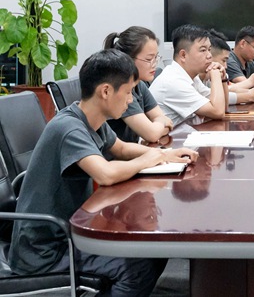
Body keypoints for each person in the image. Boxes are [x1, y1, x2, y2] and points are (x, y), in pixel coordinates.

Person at [8, 49, 198, 296]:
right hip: (44, 251)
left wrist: (165, 155)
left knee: (153, 250)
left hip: (67, 233)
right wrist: (148, 159)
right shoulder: (69, 128)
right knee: (138, 267)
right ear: (106, 91)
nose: (130, 101)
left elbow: (121, 148)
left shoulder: (90, 120)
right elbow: (105, 174)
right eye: (128, 92)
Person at [103, 26, 174, 143]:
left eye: (156, 57)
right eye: (149, 59)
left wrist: (158, 124)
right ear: (128, 59)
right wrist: (160, 124)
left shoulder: (139, 84)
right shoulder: (120, 90)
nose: (154, 64)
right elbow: (151, 134)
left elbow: (166, 121)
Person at [150, 24, 229, 126]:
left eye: (209, 49)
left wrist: (223, 79)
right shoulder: (173, 81)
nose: (209, 56)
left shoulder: (191, 76)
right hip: (167, 136)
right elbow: (218, 112)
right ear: (183, 55)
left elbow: (223, 107)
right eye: (203, 50)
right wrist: (216, 75)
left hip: (183, 133)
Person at [206, 29, 254, 104]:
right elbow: (216, 98)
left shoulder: (248, 61)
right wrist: (249, 95)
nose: (226, 66)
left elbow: (231, 88)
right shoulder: (196, 80)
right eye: (224, 61)